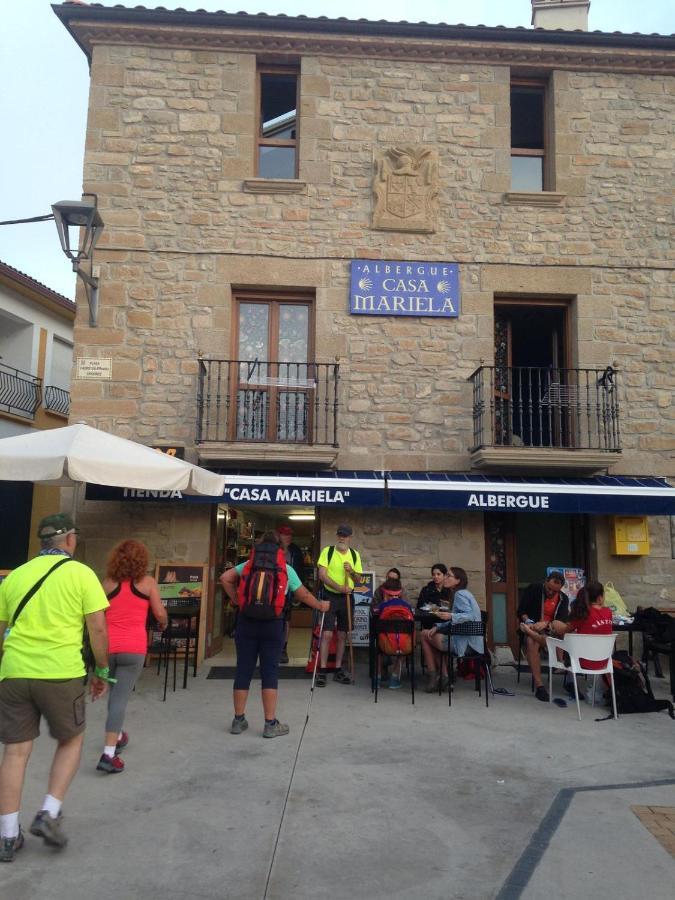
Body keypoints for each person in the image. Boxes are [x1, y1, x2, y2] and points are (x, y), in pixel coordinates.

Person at [0, 513, 111, 862]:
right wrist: (102, 671)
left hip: (15, 671)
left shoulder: (15, 576)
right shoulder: (81, 574)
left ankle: (7, 836)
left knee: (15, 753)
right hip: (60, 672)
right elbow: (97, 629)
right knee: (71, 739)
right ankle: (49, 811)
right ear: (70, 540)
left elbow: (2, 629)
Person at [220, 531, 329, 738]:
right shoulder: (285, 568)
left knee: (243, 670)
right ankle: (270, 723)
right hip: (273, 624)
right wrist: (320, 605)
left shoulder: (248, 565)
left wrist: (237, 600)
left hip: (246, 622)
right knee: (269, 672)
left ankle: (238, 720)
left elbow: (225, 578)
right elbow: (303, 594)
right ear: (281, 549)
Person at [98, 539, 168, 775]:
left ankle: (117, 735)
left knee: (114, 693)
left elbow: (96, 616)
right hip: (133, 647)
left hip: (108, 646)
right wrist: (164, 621)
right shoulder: (147, 583)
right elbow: (159, 612)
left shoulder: (107, 583)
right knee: (120, 698)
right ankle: (108, 754)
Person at [316, 524, 364, 687]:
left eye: (345, 535)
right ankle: (322, 670)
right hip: (330, 595)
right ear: (337, 536)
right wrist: (338, 587)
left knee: (343, 634)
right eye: (340, 535)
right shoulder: (328, 552)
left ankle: (337, 669)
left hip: (347, 597)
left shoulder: (354, 555)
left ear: (350, 538)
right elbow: (322, 575)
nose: (342, 538)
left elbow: (358, 580)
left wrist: (351, 571)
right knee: (327, 633)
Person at [421, 567, 483, 693]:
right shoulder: (465, 593)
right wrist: (438, 626)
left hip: (464, 645)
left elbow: (470, 615)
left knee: (423, 635)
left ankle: (434, 676)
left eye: (449, 576)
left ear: (458, 580)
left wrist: (452, 615)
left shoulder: (460, 595)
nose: (445, 578)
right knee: (432, 635)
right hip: (474, 644)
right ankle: (443, 676)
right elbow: (464, 617)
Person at [517, 571, 570, 702]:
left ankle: (566, 673)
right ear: (546, 581)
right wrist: (530, 622)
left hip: (550, 629)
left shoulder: (563, 598)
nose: (551, 593)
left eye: (555, 591)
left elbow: (561, 620)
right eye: (549, 589)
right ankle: (540, 685)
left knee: (568, 633)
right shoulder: (534, 589)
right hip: (532, 626)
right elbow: (521, 611)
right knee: (531, 641)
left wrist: (546, 624)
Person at [372, 570, 412, 689]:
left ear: (385, 594)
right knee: (408, 639)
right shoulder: (407, 606)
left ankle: (377, 679)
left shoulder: (382, 607)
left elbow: (373, 612)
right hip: (404, 647)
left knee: (377, 643)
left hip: (384, 645)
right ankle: (395, 678)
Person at [277, 524, 304, 664]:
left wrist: (298, 592)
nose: (288, 537)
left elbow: (300, 572)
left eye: (290, 535)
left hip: (289, 591)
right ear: (279, 535)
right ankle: (271, 648)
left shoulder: (296, 551)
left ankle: (283, 649)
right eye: (285, 534)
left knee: (286, 620)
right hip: (273, 591)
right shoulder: (273, 549)